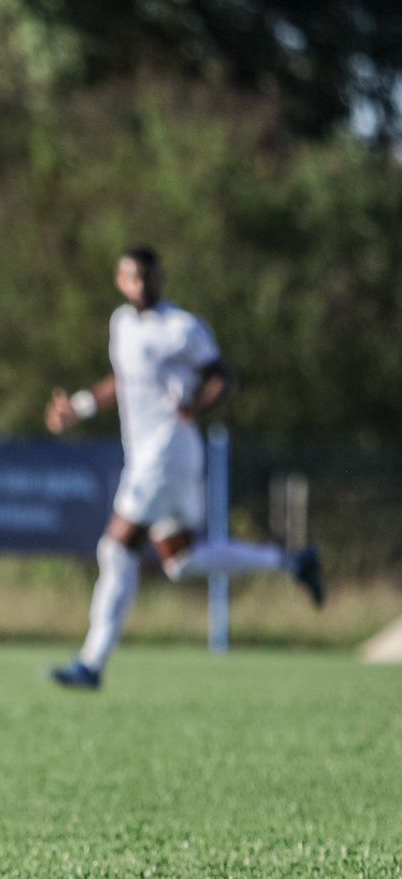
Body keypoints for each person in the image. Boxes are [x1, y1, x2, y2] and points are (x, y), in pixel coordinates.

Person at [44, 246, 324, 690]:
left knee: (116, 549)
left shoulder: (182, 328)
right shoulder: (120, 324)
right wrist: (79, 407)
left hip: (167, 451)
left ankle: (91, 664)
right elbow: (123, 379)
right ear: (121, 281)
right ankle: (291, 561)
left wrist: (196, 406)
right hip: (150, 455)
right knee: (182, 560)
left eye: (149, 277)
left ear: (160, 277)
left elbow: (223, 377)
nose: (142, 285)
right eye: (133, 278)